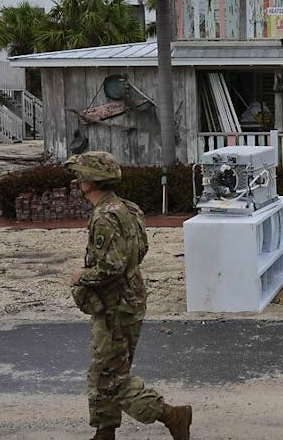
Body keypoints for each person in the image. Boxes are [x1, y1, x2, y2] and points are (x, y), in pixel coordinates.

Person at [65, 151, 192, 440]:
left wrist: (80, 277)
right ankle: (104, 431)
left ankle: (171, 414)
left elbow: (112, 266)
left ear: (92, 180)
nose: (78, 180)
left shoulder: (105, 217)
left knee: (110, 377)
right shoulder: (128, 208)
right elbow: (140, 252)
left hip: (114, 305)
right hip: (128, 299)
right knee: (105, 369)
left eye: (81, 175)